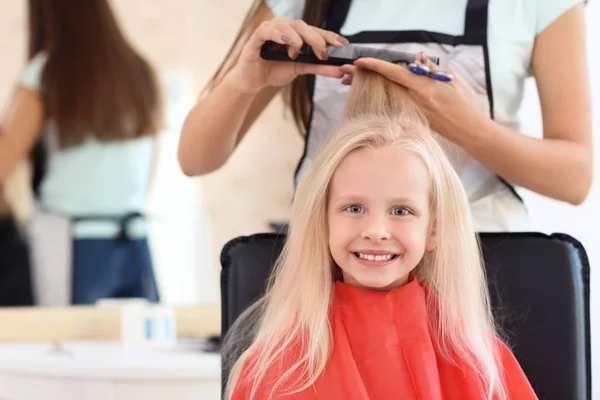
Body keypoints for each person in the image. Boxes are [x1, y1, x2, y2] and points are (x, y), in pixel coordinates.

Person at [222, 68, 538, 399]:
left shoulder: (479, 361)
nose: (375, 231)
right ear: (322, 221)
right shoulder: (275, 365)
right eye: (354, 208)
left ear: (434, 230)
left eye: (401, 211)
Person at [178, 0, 592, 232]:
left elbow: (574, 178)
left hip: (483, 271)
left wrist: (468, 127)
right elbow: (195, 158)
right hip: (330, 274)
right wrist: (243, 82)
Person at [0, 0, 162, 305]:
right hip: (135, 241)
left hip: (74, 246)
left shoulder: (47, 74)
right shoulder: (141, 71)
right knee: (139, 345)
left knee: (66, 348)